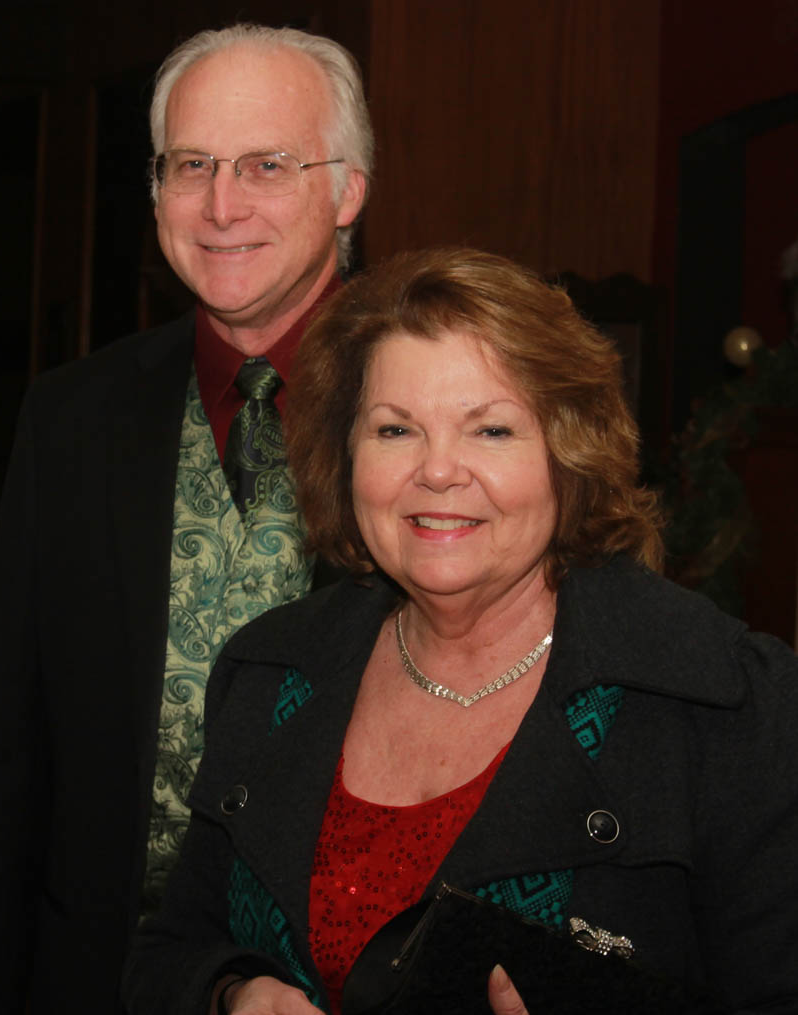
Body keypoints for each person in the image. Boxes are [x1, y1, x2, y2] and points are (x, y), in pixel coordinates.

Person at [122, 248, 798, 1014]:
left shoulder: (726, 705)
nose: (438, 471)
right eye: (395, 429)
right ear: (346, 457)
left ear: (568, 454)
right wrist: (230, 992)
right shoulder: (270, 670)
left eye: (492, 430)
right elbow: (168, 949)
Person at [0, 23, 371, 1015]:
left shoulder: (441, 416)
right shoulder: (72, 417)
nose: (222, 205)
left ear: (348, 190)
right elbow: (1, 761)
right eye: (190, 165)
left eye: (266, 164)